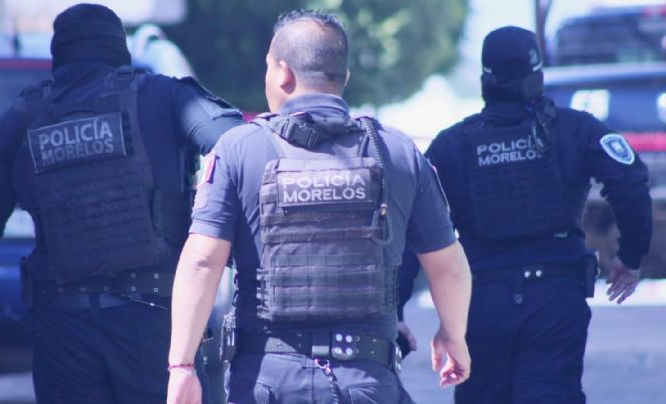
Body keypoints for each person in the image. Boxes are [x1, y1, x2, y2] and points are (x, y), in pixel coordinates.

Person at [167, 9, 473, 404]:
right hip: (366, 381)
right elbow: (447, 266)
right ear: (344, 77)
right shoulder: (395, 153)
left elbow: (202, 261)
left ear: (282, 72)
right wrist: (453, 335)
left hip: (267, 381)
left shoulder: (240, 150)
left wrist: (182, 366)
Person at [0, 4, 242, 403]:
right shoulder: (163, 96)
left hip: (63, 334)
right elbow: (239, 147)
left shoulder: (17, 122)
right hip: (156, 326)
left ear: (58, 54)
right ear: (119, 48)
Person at [401, 26, 651, 404]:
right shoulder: (576, 129)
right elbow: (630, 182)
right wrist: (629, 256)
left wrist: (396, 308)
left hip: (480, 305)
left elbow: (410, 225)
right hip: (556, 300)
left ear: (486, 79)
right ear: (537, 73)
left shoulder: (451, 145)